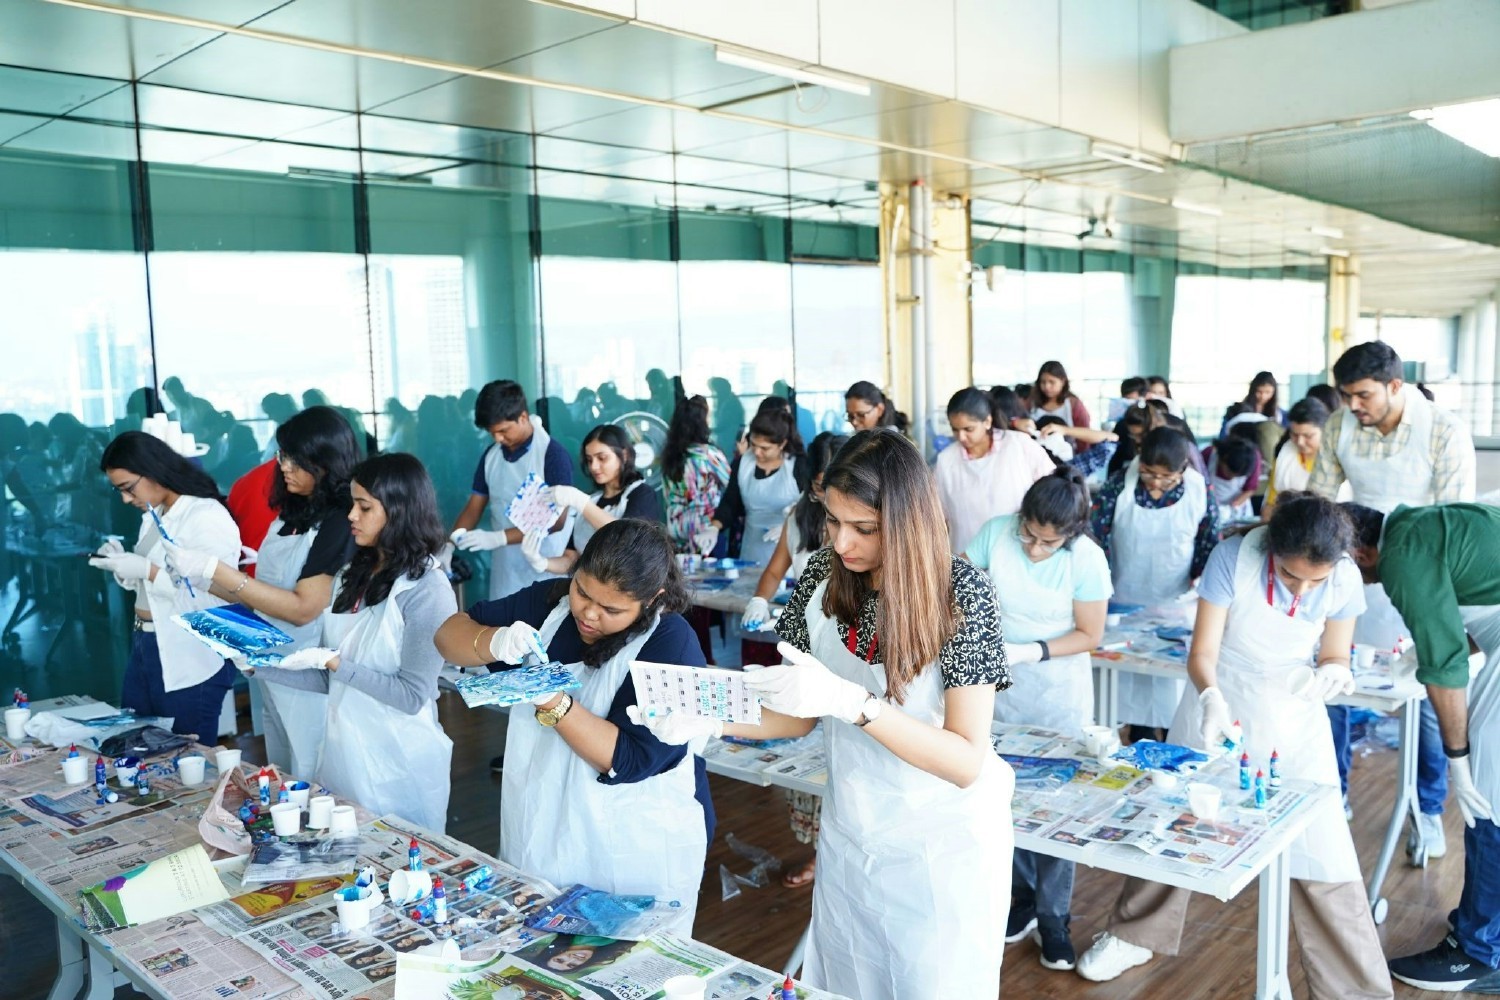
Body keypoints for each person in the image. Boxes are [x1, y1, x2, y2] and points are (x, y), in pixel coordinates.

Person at [642, 429, 1014, 998]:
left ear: (909, 522)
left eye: (863, 529)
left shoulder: (963, 594)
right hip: (853, 832)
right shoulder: (819, 579)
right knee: (850, 980)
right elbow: (794, 713)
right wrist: (709, 716)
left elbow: (966, 759)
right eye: (832, 520)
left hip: (942, 849)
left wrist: (854, 703)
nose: (840, 543)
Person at [1077, 496, 1390, 1000]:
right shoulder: (1234, 557)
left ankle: (1355, 987)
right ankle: (1135, 934)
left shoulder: (1346, 577)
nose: (1304, 589)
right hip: (1220, 699)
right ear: (1274, 551)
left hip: (1294, 714)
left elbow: (1335, 650)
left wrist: (1333, 671)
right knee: (1171, 820)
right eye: (1292, 577)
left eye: (1316, 580)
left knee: (1326, 852)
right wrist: (1211, 698)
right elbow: (1202, 652)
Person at [433, 519, 713, 933]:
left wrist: (553, 700)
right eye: (582, 590)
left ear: (652, 599)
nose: (588, 612)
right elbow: (448, 633)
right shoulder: (550, 604)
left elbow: (629, 759)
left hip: (631, 845)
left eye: (611, 609)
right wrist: (492, 641)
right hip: (542, 820)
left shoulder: (671, 643)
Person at [1311, 341, 1475, 847]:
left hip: (1422, 574)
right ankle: (1331, 793)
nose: (1352, 405)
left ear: (1395, 386)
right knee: (1333, 681)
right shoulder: (1340, 426)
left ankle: (1427, 809)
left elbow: (1454, 521)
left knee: (1427, 694)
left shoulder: (1443, 430)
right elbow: (1319, 501)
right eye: (1345, 395)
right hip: (1354, 564)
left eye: (1362, 395)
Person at [247, 453, 456, 831]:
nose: (351, 517)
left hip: (401, 761)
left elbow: (411, 696)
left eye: (364, 507)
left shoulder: (428, 589)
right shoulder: (351, 574)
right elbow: (331, 679)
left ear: (399, 511)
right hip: (345, 753)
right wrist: (259, 666)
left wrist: (336, 664)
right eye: (352, 505)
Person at [1342, 502, 1500, 991]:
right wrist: (1429, 650)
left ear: (1362, 552)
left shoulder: (1400, 557)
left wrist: (1458, 761)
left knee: (1488, 801)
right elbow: (1477, 606)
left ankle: (1478, 953)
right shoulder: (1419, 524)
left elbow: (1447, 666)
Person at [161, 407, 358, 777]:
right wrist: (203, 579)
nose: (284, 466)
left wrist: (217, 571)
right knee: (284, 765)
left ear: (326, 461)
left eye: (296, 459)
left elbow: (303, 608)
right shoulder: (293, 510)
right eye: (282, 455)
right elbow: (260, 591)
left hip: (311, 667)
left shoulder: (341, 520)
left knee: (315, 770)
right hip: (272, 661)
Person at [967, 468, 1111, 972]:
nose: (1033, 548)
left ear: (1071, 534)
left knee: (1058, 806)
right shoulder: (995, 532)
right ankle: (1022, 897)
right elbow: (961, 587)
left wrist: (1033, 651)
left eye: (1048, 543)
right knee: (1003, 793)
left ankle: (1055, 916)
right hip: (997, 683)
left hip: (1056, 687)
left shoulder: (1088, 559)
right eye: (1028, 534)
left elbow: (1090, 632)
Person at [740, 430, 847, 885]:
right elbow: (775, 570)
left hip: (845, 653)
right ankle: (821, 852)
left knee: (846, 753)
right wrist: (760, 601)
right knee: (807, 751)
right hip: (804, 646)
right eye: (818, 485)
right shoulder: (801, 521)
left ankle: (836, 853)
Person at [88, 432, 241, 742]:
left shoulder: (204, 515)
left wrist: (148, 570)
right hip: (146, 643)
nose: (126, 499)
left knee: (186, 756)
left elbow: (212, 595)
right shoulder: (155, 513)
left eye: (128, 488)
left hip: (189, 651)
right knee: (137, 744)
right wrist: (125, 567)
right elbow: (154, 587)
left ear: (154, 469)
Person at [1093, 427, 1221, 739]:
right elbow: (1097, 537)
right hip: (1123, 599)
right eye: (1149, 473)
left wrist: (1200, 580)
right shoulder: (1119, 484)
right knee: (1125, 686)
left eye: (1167, 477)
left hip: (1175, 602)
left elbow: (1209, 541)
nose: (1156, 482)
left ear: (1183, 469)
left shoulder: (1199, 489)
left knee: (1170, 690)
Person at [449, 380, 576, 600]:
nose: (498, 438)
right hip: (505, 569)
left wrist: (498, 538)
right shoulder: (491, 456)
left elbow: (557, 521)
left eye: (503, 430)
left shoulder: (552, 455)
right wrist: (450, 544)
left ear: (523, 417)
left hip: (545, 563)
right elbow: (474, 507)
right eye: (492, 433)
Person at [521, 424, 663, 576]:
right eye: (589, 460)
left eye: (602, 458)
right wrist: (541, 561)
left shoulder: (642, 494)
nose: (594, 466)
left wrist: (578, 501)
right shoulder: (590, 501)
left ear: (625, 455)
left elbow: (627, 538)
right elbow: (572, 559)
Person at [934, 387, 1054, 556]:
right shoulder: (946, 461)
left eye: (968, 429)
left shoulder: (1019, 445)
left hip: (1018, 555)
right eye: (955, 430)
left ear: (987, 422)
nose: (961, 437)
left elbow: (1053, 490)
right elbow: (939, 515)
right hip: (967, 558)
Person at [703, 408, 808, 568]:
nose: (757, 452)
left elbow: (813, 506)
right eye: (753, 444)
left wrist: (793, 525)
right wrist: (714, 527)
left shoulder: (799, 465)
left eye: (764, 448)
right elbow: (731, 503)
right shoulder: (743, 463)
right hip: (752, 549)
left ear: (782, 444)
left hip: (791, 549)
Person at [659, 395, 730, 555]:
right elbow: (732, 486)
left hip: (676, 530)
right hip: (705, 533)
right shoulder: (709, 455)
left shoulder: (670, 456)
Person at [1263, 397, 1345, 517]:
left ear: (1325, 430)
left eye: (1308, 436)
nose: (1300, 442)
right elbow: (1271, 504)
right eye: (1295, 435)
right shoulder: (1285, 455)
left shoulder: (1339, 457)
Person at [1201, 435, 1260, 522]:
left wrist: (1232, 507)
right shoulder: (1208, 455)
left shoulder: (1252, 459)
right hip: (1207, 504)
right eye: (1229, 473)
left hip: (1237, 509)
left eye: (1238, 476)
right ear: (1223, 458)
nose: (1232, 478)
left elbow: (1250, 489)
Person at [1029, 361, 1092, 435]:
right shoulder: (1032, 403)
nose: (1047, 386)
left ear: (1063, 381)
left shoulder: (1073, 404)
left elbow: (1085, 434)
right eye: (1043, 382)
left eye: (1052, 382)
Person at [1220, 371, 1284, 437]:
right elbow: (1223, 435)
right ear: (1253, 390)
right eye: (1259, 391)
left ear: (1274, 393)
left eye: (1268, 392)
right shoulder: (1235, 410)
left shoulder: (1280, 414)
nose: (1263, 396)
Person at [844, 380, 908, 434]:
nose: (854, 422)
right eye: (850, 416)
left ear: (879, 410)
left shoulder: (892, 442)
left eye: (861, 415)